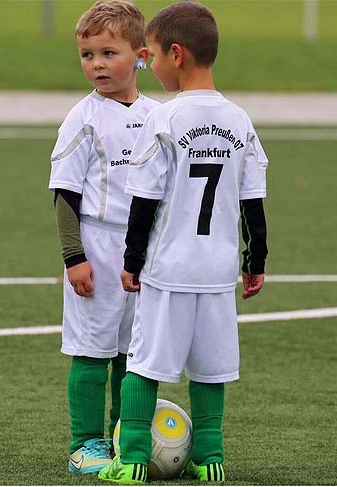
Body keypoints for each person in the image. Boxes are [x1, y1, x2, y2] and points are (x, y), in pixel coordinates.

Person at [97, 1, 269, 484]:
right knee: (211, 369)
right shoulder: (240, 121)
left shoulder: (165, 119)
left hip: (168, 270)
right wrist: (255, 261)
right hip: (217, 273)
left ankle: (132, 459)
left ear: (177, 55)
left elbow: (144, 200)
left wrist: (132, 260)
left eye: (150, 56)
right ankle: (210, 458)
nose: (148, 65)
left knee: (144, 363)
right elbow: (253, 201)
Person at [48, 0, 159, 476]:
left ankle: (121, 437)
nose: (96, 64)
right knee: (92, 348)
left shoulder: (159, 116)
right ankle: (85, 443)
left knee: (133, 352)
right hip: (97, 245)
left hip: (144, 251)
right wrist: (74, 257)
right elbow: (64, 193)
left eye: (108, 53)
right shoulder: (82, 117)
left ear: (141, 57)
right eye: (87, 55)